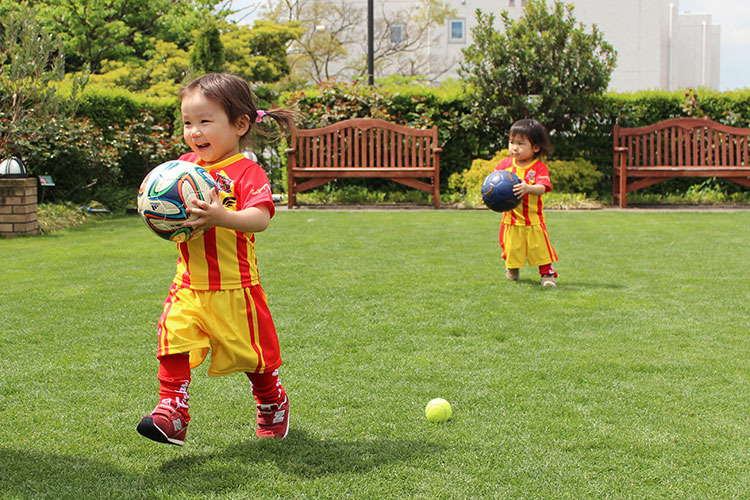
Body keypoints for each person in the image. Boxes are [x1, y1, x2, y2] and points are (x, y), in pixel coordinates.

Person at [136, 73, 297, 446]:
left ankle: (272, 400)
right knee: (172, 338)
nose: (195, 131)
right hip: (188, 285)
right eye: (188, 123)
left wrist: (220, 216)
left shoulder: (246, 172)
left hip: (235, 287)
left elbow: (260, 218)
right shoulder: (182, 168)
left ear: (240, 124)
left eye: (205, 121)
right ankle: (172, 412)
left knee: (254, 359)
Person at [493, 118, 559, 287]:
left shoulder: (539, 168)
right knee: (511, 249)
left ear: (535, 147)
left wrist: (528, 188)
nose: (514, 147)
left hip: (533, 220)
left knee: (540, 249)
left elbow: (544, 187)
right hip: (511, 219)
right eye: (511, 142)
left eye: (520, 144)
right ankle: (512, 269)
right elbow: (492, 182)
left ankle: (547, 275)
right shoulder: (505, 164)